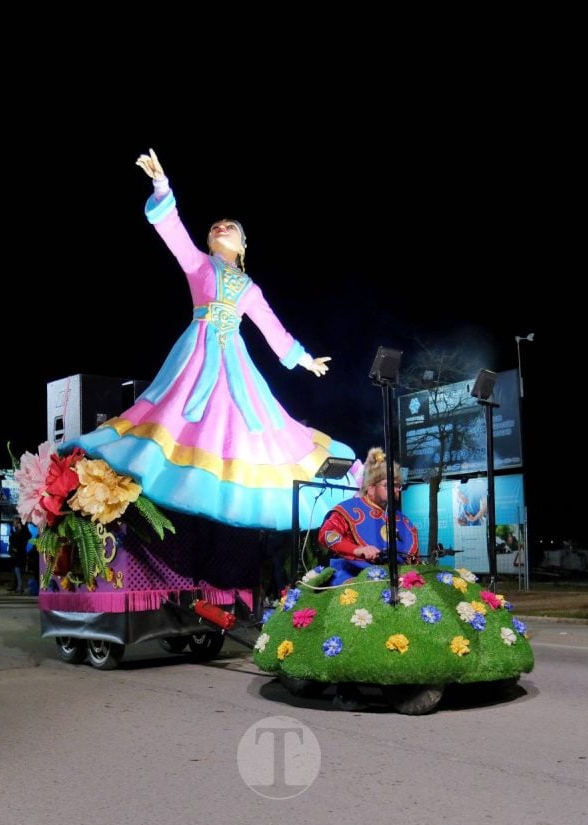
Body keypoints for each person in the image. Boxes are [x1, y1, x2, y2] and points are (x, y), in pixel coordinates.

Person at [65, 149, 358, 531]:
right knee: (177, 413)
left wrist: (304, 359)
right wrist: (161, 186)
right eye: (216, 226)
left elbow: (273, 329)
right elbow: (173, 232)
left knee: (244, 425)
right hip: (196, 352)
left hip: (235, 361)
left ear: (244, 245)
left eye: (230, 227)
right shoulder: (199, 265)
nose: (221, 227)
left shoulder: (249, 288)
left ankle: (227, 496)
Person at [318, 447, 421, 586]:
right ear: (371, 488)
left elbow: (414, 559)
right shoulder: (348, 509)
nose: (395, 490)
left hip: (397, 577)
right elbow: (327, 534)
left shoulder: (403, 521)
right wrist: (357, 550)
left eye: (397, 486)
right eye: (388, 485)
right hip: (353, 573)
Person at [8, 517, 32, 594]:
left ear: (19, 523)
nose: (14, 524)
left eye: (15, 523)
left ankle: (20, 587)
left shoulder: (23, 531)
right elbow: (11, 540)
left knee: (18, 569)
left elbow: (19, 540)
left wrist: (19, 531)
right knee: (16, 569)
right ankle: (16, 586)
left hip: (19, 553)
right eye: (14, 523)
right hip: (16, 553)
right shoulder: (15, 530)